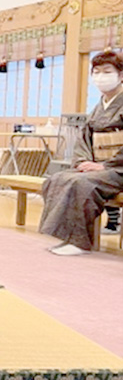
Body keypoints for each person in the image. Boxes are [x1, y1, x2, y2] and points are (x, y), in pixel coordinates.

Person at [39, 50, 123, 255]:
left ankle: (79, 242)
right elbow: (84, 138)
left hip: (118, 168)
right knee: (56, 179)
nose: (101, 77)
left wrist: (104, 165)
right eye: (96, 72)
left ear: (121, 75)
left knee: (80, 184)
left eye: (107, 72)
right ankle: (66, 237)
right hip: (100, 167)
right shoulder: (98, 106)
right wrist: (83, 161)